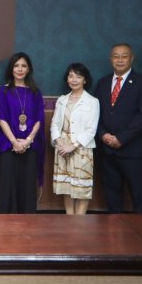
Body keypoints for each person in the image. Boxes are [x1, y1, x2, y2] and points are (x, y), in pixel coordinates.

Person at [94, 43, 142, 214]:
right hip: (107, 150)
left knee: (138, 194)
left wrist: (121, 138)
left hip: (131, 150)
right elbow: (94, 113)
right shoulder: (103, 83)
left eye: (124, 56)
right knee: (112, 196)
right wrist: (103, 135)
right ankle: (113, 233)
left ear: (131, 58)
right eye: (116, 56)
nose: (120, 60)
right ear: (111, 59)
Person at [0, 52, 45, 214]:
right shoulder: (3, 91)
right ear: (11, 68)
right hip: (8, 145)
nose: (20, 69)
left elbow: (39, 119)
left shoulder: (35, 92)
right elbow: (1, 118)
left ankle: (27, 221)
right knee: (8, 184)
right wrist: (14, 142)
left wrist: (28, 141)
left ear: (29, 69)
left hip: (30, 146)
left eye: (24, 66)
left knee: (27, 185)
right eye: (16, 66)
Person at [50, 63, 100, 215]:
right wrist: (59, 142)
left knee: (81, 188)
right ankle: (69, 219)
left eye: (78, 76)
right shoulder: (62, 100)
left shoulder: (92, 101)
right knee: (67, 186)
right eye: (71, 76)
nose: (74, 80)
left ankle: (80, 222)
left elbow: (91, 130)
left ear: (85, 80)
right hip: (62, 148)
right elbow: (54, 124)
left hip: (81, 149)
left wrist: (73, 145)